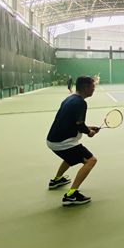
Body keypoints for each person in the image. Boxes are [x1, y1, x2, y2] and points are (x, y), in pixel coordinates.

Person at [46, 76, 99, 206]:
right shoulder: (81, 103)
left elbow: (73, 122)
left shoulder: (70, 99)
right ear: (85, 87)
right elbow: (79, 125)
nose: (94, 89)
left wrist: (88, 128)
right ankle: (71, 195)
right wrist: (89, 132)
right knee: (91, 160)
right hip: (62, 142)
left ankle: (57, 180)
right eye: (93, 87)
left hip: (52, 139)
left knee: (70, 157)